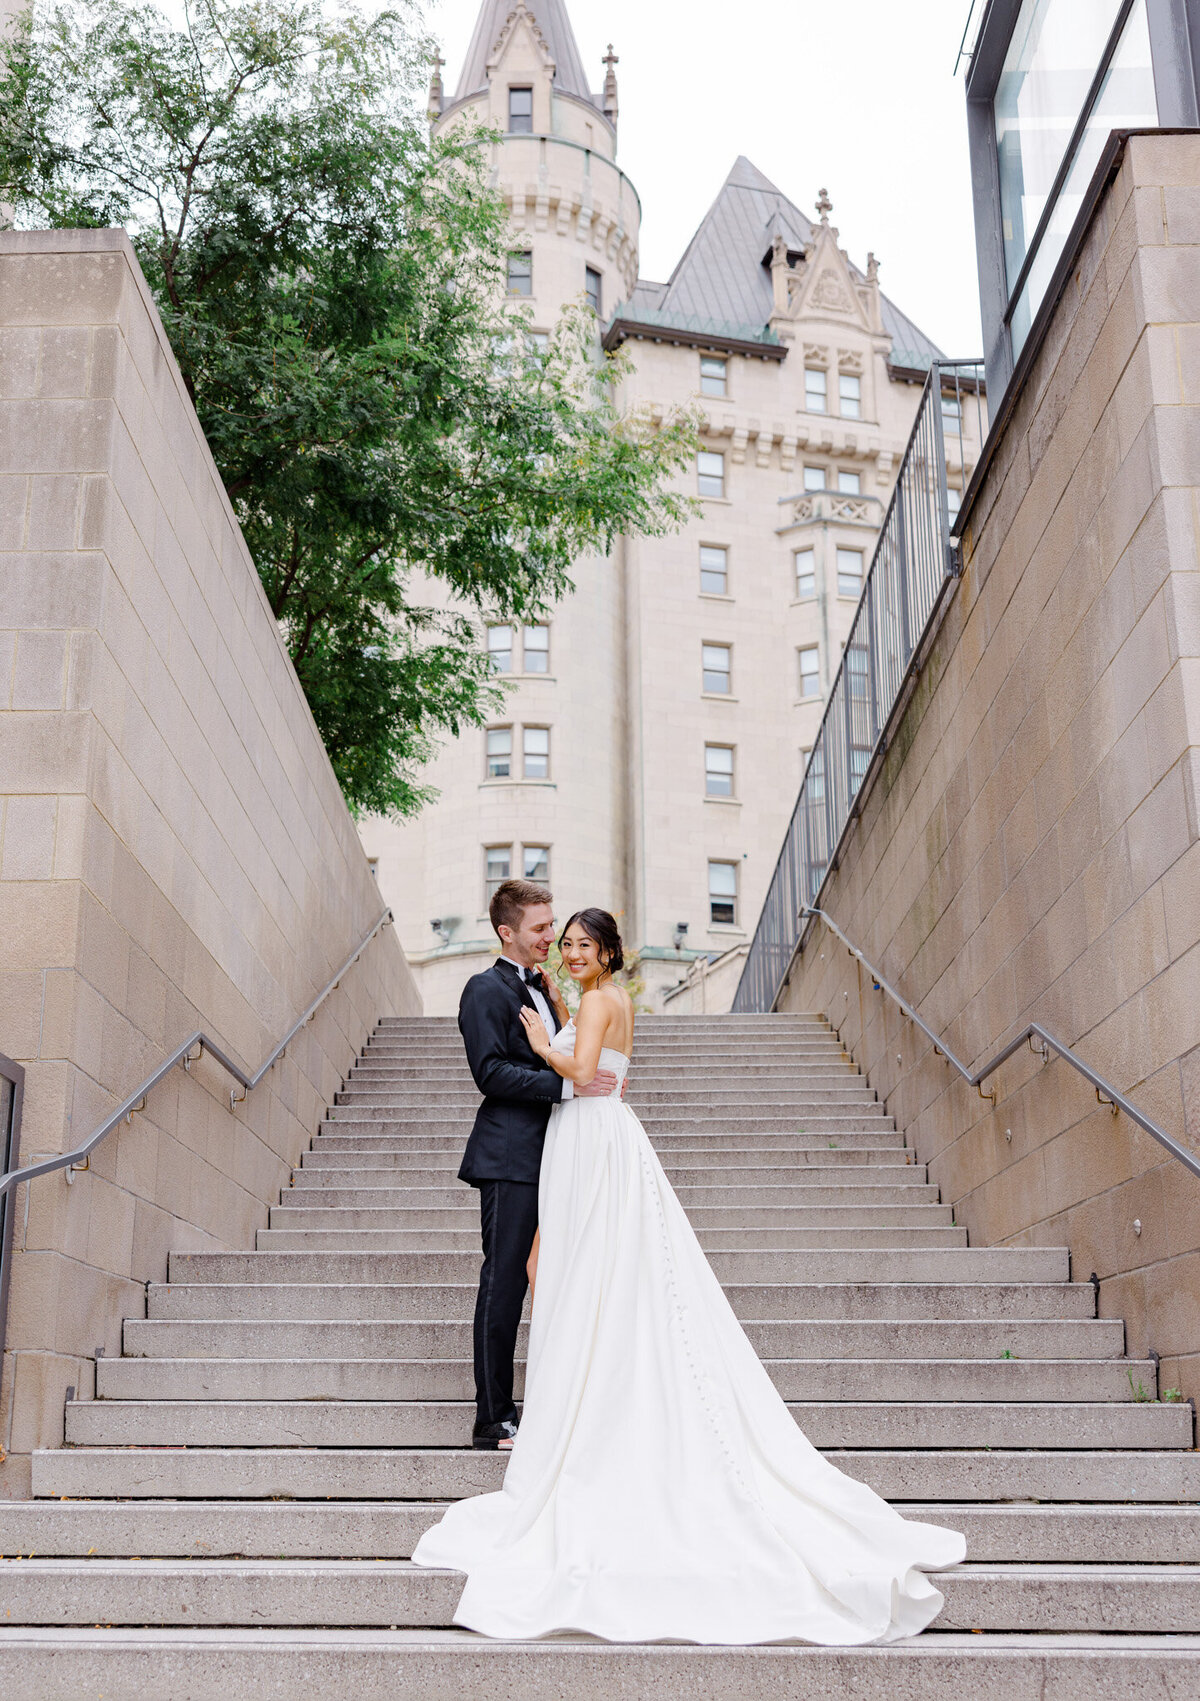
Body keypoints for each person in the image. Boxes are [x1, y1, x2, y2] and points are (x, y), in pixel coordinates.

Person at [414, 906, 966, 1644]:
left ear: (609, 952)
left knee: (602, 1272)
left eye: (580, 941)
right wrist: (563, 1039)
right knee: (563, 1272)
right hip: (571, 1142)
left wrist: (549, 1045)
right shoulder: (548, 992)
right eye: (559, 937)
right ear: (518, 931)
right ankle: (523, 1402)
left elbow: (584, 1073)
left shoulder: (599, 1001)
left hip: (592, 1137)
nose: (566, 948)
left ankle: (587, 1399)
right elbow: (547, 1070)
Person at [456, 879, 620, 1451]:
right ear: (508, 932)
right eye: (542, 928)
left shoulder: (545, 990)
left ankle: (551, 1404)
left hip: (558, 1155)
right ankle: (493, 1418)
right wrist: (568, 1088)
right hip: (510, 1157)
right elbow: (491, 1073)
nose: (552, 936)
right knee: (503, 1284)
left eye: (554, 926)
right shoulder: (484, 989)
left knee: (555, 1282)